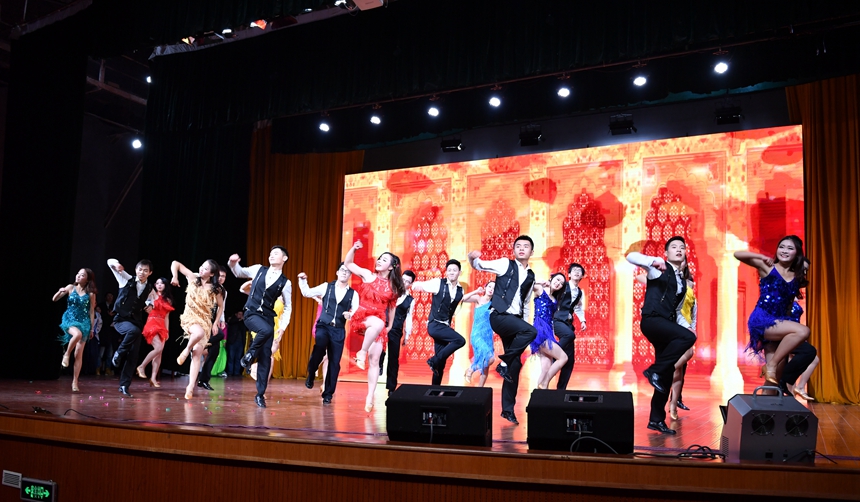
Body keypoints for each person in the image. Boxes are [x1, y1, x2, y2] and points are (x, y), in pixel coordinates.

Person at [626, 237, 697, 435]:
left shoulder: (682, 282)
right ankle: (653, 370)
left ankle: (656, 419)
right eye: (674, 247)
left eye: (682, 247)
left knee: (666, 376)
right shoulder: (658, 268)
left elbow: (677, 310)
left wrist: (688, 327)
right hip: (653, 320)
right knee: (687, 339)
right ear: (666, 253)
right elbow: (630, 256)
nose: (679, 250)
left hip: (667, 325)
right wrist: (652, 260)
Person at [468, 235, 537, 425]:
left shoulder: (531, 276)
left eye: (526, 246)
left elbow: (526, 303)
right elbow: (479, 265)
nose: (521, 248)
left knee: (514, 366)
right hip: (499, 315)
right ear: (514, 250)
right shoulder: (505, 264)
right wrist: (472, 258)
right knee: (531, 332)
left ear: (532, 252)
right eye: (518, 246)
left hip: (515, 321)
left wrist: (523, 323)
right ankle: (504, 361)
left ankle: (507, 410)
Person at [734, 235, 810, 385]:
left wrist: (789, 330)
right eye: (781, 247)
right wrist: (762, 257)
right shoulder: (768, 267)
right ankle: (772, 364)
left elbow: (788, 306)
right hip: (762, 321)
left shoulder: (796, 276)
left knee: (773, 382)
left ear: (797, 253)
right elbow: (737, 254)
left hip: (780, 324)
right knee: (803, 331)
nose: (784, 251)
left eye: (790, 248)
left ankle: (770, 374)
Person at [344, 241, 404, 412]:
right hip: (362, 318)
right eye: (379, 258)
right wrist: (353, 249)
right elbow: (348, 263)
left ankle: (370, 396)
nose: (379, 261)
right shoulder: (368, 275)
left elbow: (392, 307)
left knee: (375, 359)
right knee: (378, 323)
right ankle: (361, 352)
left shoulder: (393, 287)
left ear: (391, 267)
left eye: (384, 260)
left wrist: (390, 326)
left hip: (377, 326)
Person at [228, 246, 292, 408]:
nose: (271, 256)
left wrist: (283, 327)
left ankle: (260, 394)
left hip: (268, 317)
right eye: (270, 253)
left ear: (284, 258)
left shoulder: (285, 282)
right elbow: (239, 272)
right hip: (251, 314)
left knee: (265, 356)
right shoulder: (258, 269)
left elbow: (288, 307)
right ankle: (249, 355)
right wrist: (233, 263)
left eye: (276, 253)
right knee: (267, 330)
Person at [299, 263, 359, 404]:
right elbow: (306, 292)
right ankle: (311, 373)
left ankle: (328, 394)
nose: (344, 273)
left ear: (350, 275)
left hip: (338, 329)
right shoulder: (327, 287)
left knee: (334, 362)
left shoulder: (353, 294)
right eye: (342, 270)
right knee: (320, 346)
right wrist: (303, 280)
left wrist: (350, 314)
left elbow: (356, 310)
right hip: (323, 326)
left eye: (348, 272)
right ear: (337, 272)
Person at [171, 259, 224, 400]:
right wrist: (175, 276)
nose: (201, 269)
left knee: (197, 354)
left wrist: (215, 323)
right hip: (190, 317)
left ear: (211, 274)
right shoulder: (193, 278)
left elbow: (221, 306)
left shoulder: (216, 289)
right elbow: (176, 263)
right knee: (198, 334)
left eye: (205, 269)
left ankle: (190, 386)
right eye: (201, 266)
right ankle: (186, 350)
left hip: (205, 321)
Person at [411, 260, 467, 385]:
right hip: (435, 324)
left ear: (459, 272)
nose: (451, 272)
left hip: (445, 326)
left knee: (440, 364)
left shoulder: (460, 290)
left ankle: (434, 390)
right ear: (446, 272)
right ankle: (434, 360)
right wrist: (415, 285)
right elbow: (419, 285)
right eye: (449, 270)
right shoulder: (438, 283)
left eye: (454, 270)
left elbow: (459, 303)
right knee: (460, 340)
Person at [107, 258, 158, 398]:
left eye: (145, 271)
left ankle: (124, 385)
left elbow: (153, 299)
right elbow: (109, 262)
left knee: (134, 354)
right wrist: (116, 264)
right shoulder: (126, 279)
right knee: (133, 331)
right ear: (136, 270)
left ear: (150, 273)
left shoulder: (149, 287)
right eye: (140, 269)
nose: (142, 272)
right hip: (121, 319)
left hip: (136, 321)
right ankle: (118, 353)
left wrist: (151, 305)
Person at [53, 268, 97, 392]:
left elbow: (91, 311)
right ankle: (66, 354)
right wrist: (59, 291)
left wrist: (92, 328)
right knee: (77, 334)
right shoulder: (70, 287)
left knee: (78, 353)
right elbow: (54, 299)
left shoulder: (91, 294)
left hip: (84, 322)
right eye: (78, 274)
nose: (78, 276)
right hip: (70, 319)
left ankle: (75, 381)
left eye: (82, 275)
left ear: (87, 279)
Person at [530, 273, 569, 389]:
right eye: (557, 280)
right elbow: (525, 283)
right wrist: (539, 281)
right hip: (540, 331)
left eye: (561, 283)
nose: (558, 283)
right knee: (563, 358)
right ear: (551, 279)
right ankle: (544, 383)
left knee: (546, 368)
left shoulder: (555, 299)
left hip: (548, 332)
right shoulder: (540, 289)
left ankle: (539, 396)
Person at [552, 263, 587, 390]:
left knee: (569, 360)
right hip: (556, 320)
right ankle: (553, 356)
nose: (577, 272)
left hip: (567, 323)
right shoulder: (563, 286)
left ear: (582, 276)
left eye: (579, 271)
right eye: (574, 270)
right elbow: (551, 292)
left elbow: (577, 308)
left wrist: (583, 321)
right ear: (569, 274)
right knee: (569, 335)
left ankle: (560, 391)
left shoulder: (579, 292)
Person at [135, 277, 174, 388]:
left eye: (162, 283)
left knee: (159, 352)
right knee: (158, 348)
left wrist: (167, 330)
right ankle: (141, 366)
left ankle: (153, 378)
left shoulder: (168, 300)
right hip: (152, 323)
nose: (159, 285)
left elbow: (167, 317)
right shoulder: (152, 294)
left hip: (162, 325)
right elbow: (146, 307)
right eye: (157, 283)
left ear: (165, 285)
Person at [381, 270, 415, 394]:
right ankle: (379, 365)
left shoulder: (410, 300)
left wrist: (407, 335)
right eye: (403, 279)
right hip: (383, 326)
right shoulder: (389, 292)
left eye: (407, 281)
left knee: (393, 359)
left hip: (396, 330)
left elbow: (409, 318)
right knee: (379, 350)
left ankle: (391, 387)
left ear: (410, 284)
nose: (404, 283)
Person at [198, 269, 228, 391]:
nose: (221, 278)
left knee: (214, 352)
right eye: (219, 275)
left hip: (215, 322)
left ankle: (203, 380)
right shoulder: (207, 285)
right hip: (203, 320)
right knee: (219, 336)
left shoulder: (223, 290)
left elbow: (222, 308)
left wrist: (221, 321)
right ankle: (200, 345)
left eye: (223, 276)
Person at [462, 281, 495, 387]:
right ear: (485, 287)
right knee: (490, 359)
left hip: (488, 336)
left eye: (494, 288)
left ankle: (480, 389)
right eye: (489, 286)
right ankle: (471, 369)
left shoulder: (495, 304)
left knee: (486, 365)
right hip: (477, 334)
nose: (491, 289)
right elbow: (462, 299)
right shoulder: (478, 299)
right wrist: (476, 291)